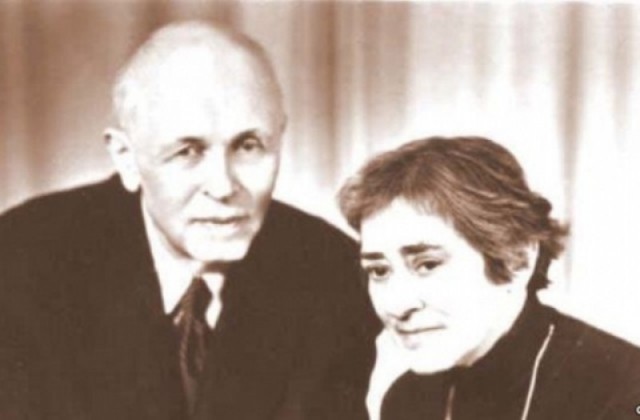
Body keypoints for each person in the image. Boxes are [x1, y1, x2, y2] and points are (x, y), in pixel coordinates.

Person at [0, 21, 376, 420]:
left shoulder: (334, 273)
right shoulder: (21, 262)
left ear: (280, 137)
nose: (223, 186)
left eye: (249, 146)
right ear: (127, 157)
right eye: (188, 151)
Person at [338, 136, 640, 420]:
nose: (397, 304)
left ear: (517, 259)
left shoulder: (624, 389)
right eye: (379, 271)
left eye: (428, 264)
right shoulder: (407, 400)